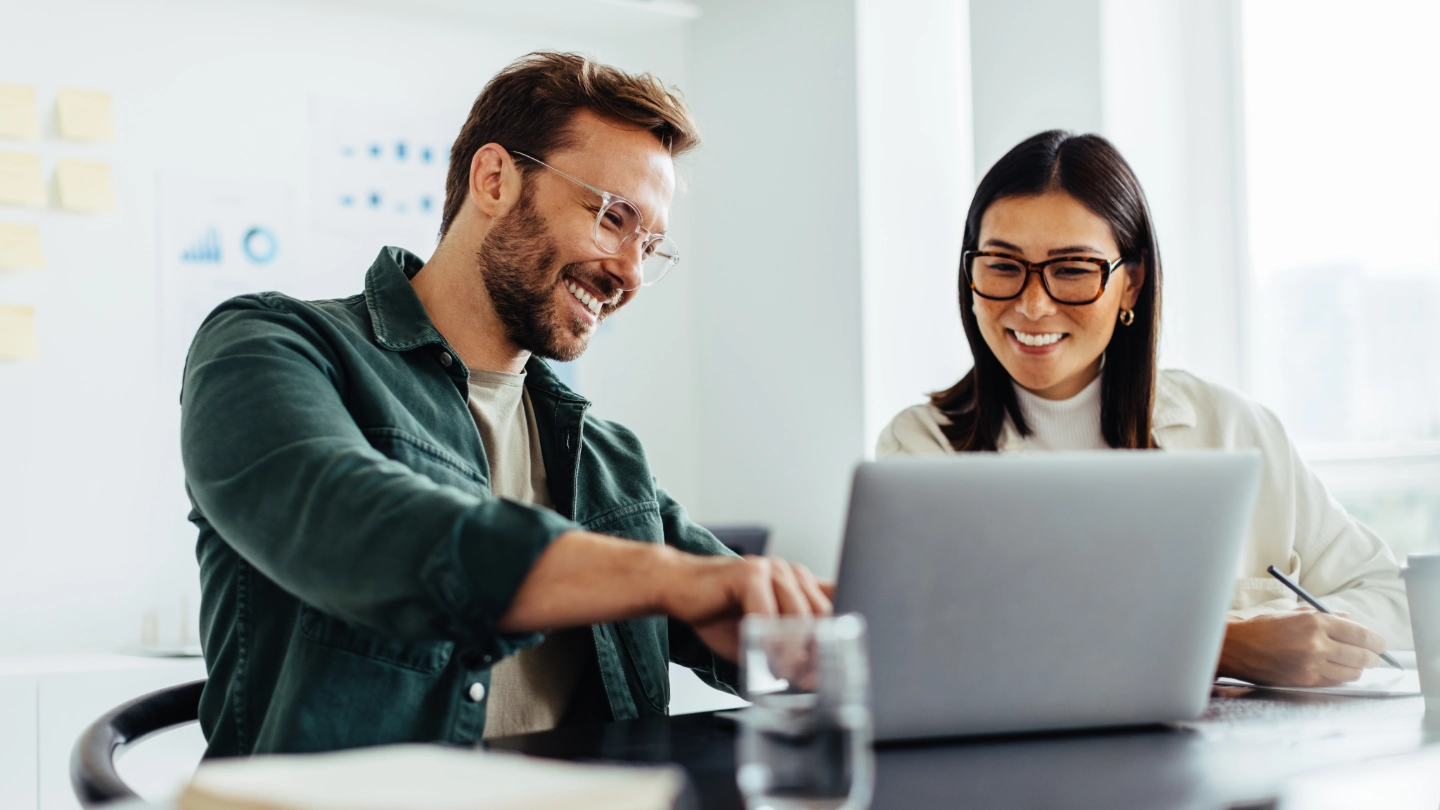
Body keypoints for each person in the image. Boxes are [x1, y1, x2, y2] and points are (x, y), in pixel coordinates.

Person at [181, 52, 830, 757]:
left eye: (651, 245)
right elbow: (356, 521)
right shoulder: (272, 344)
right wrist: (669, 579)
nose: (631, 274)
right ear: (494, 179)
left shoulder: (608, 459)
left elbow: (734, 602)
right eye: (613, 218)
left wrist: (818, 628)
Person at [876, 130, 1408, 689]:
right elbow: (929, 644)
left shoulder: (1231, 428)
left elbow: (1394, 599)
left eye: (1073, 270)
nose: (1033, 304)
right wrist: (1220, 645)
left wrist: (1294, 636)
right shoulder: (920, 449)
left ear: (1130, 284)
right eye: (1003, 266)